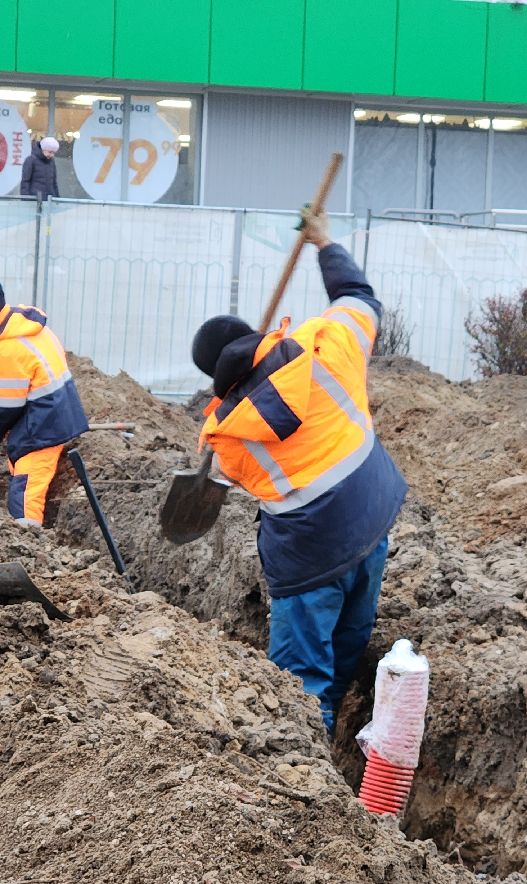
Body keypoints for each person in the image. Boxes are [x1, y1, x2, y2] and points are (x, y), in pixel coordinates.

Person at [189, 210, 407, 735]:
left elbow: (230, 477)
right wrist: (325, 245)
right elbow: (359, 297)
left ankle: (311, 776)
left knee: (297, 686)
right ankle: (337, 740)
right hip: (372, 521)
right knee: (347, 649)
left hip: (311, 555)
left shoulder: (225, 435)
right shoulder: (326, 344)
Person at [0, 278, 88, 527]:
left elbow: (6, 409)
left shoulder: (8, 348)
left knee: (25, 495)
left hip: (44, 427)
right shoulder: (31, 327)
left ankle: (28, 550)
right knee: (20, 475)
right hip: (53, 413)